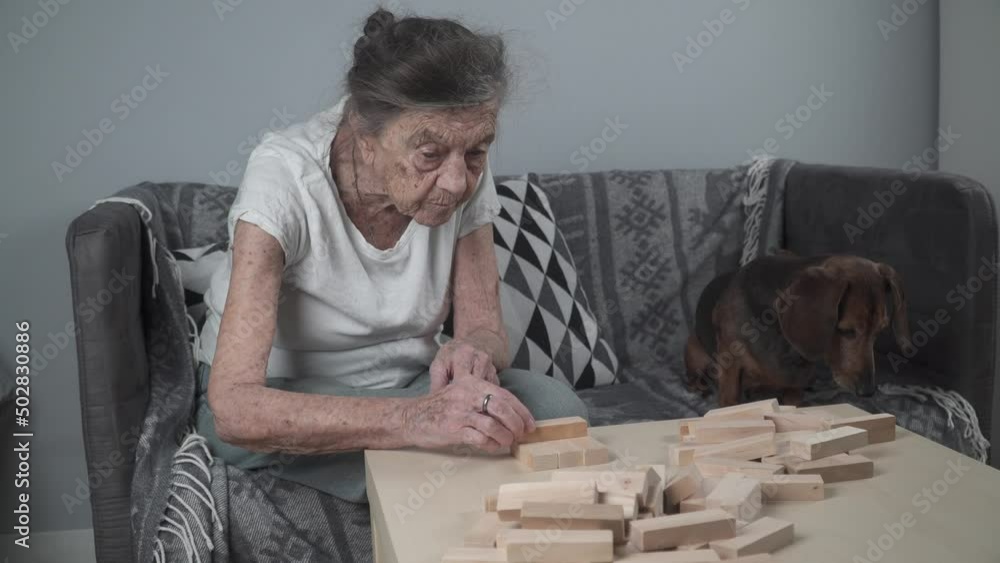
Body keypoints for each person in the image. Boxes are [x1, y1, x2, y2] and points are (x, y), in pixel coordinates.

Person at [194, 8, 588, 502]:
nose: (457, 181)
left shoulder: (459, 159)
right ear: (365, 135)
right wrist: (414, 419)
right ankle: (436, 474)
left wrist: (473, 354)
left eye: (476, 152)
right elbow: (234, 408)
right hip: (289, 391)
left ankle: (415, 467)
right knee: (478, 452)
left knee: (553, 410)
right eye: (428, 155)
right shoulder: (282, 180)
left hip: (411, 381)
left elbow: (485, 330)